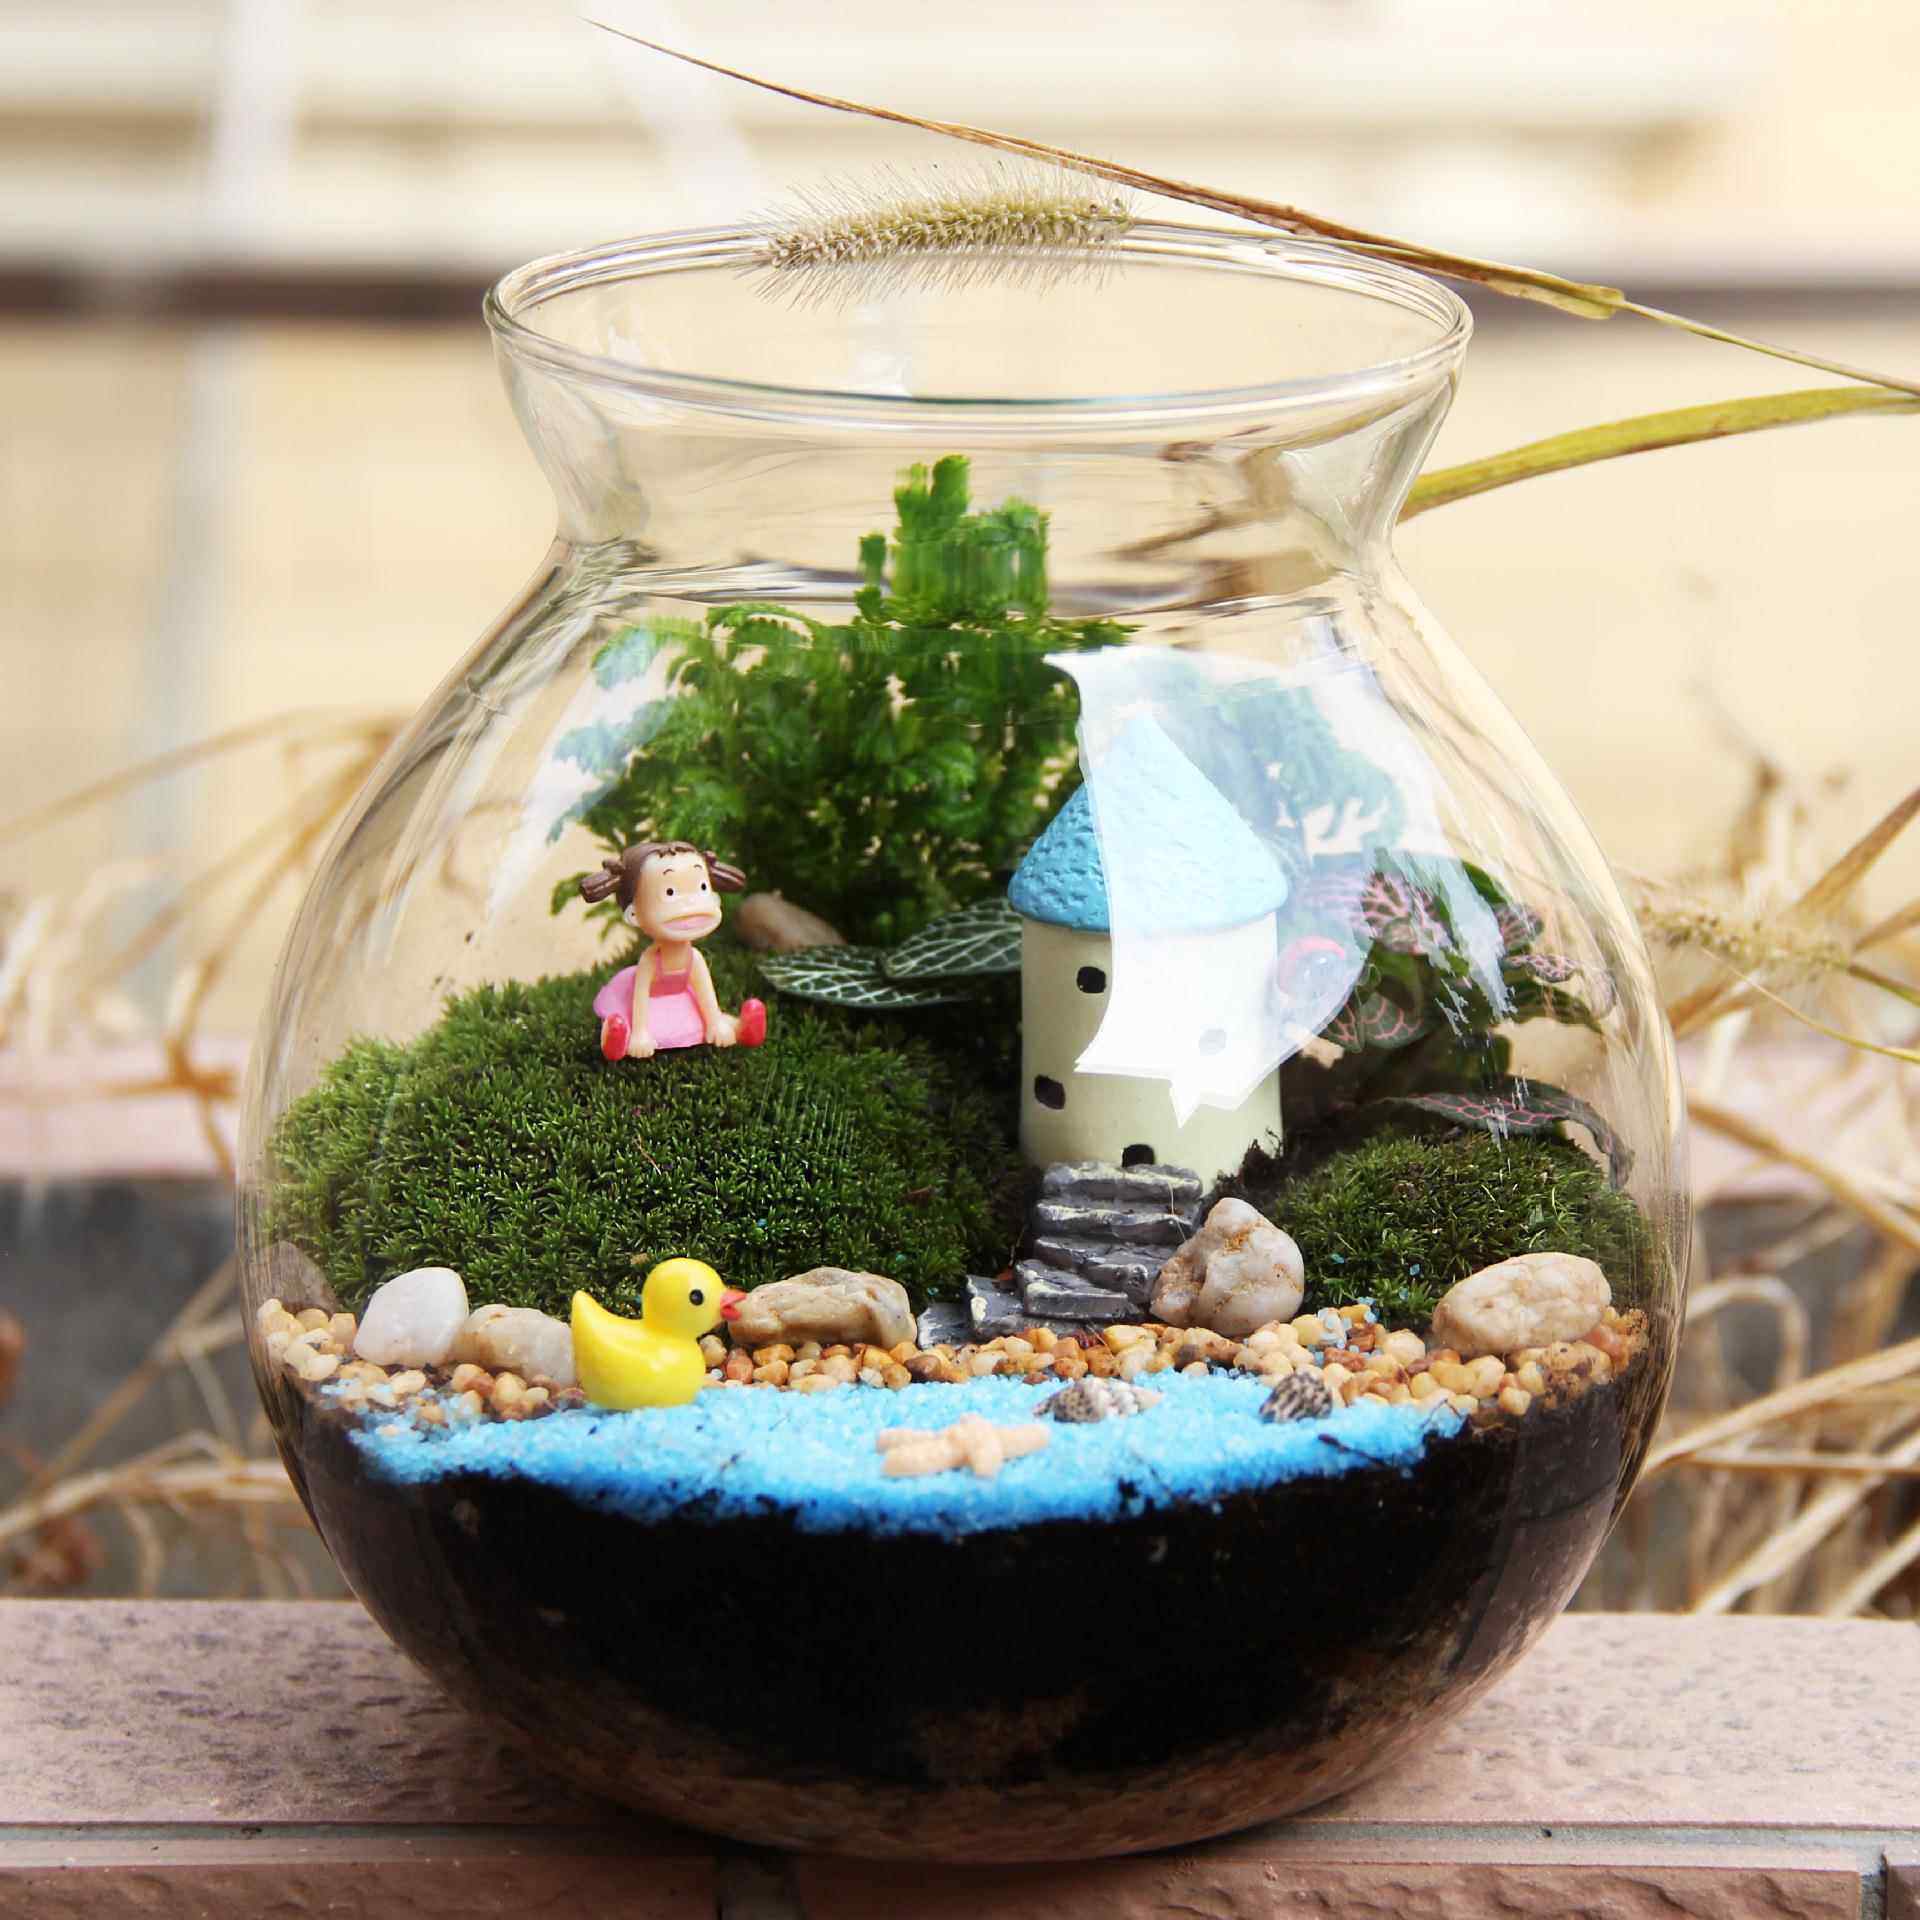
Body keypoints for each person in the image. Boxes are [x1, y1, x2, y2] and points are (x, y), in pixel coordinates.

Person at [577, 842, 766, 1060]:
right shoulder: (649, 961)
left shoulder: (694, 958)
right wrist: (640, 1032)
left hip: (680, 999)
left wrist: (714, 1022)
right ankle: (613, 1038)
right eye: (670, 892)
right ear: (634, 913)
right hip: (646, 1003)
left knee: (712, 1019)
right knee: (625, 1021)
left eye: (702, 888)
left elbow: (705, 994)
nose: (691, 905)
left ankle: (743, 1029)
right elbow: (640, 997)